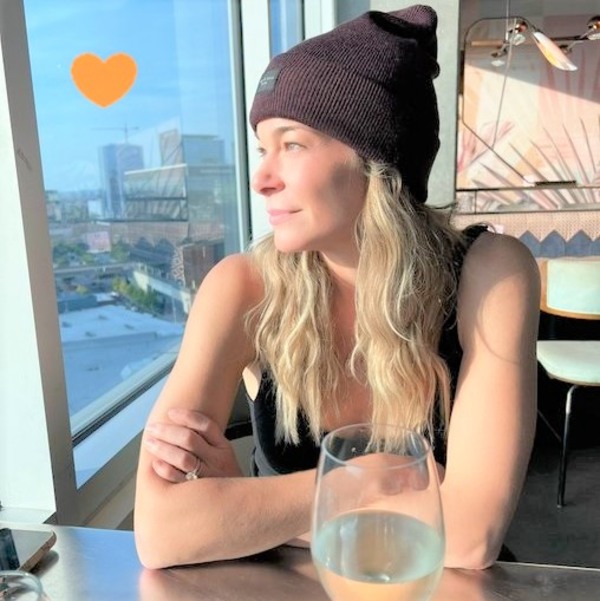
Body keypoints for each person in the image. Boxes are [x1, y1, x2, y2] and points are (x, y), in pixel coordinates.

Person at [134, 5, 540, 570]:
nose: (261, 178)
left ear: (376, 159)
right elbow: (163, 533)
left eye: (293, 145)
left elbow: (470, 537)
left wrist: (248, 514)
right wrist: (369, 480)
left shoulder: (491, 272)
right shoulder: (243, 287)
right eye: (262, 148)